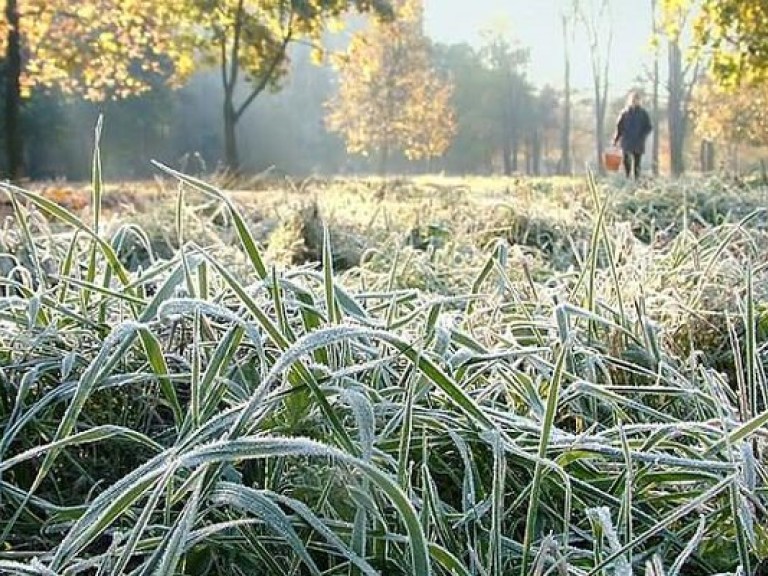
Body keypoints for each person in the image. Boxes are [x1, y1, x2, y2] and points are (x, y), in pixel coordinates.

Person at [613, 91, 653, 180]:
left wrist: (643, 135)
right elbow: (619, 127)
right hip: (627, 141)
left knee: (637, 163)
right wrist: (616, 139)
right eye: (633, 100)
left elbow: (649, 127)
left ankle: (636, 180)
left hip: (638, 141)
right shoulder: (625, 113)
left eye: (637, 100)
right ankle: (627, 177)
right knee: (626, 160)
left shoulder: (643, 114)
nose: (635, 101)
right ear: (630, 101)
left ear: (640, 101)